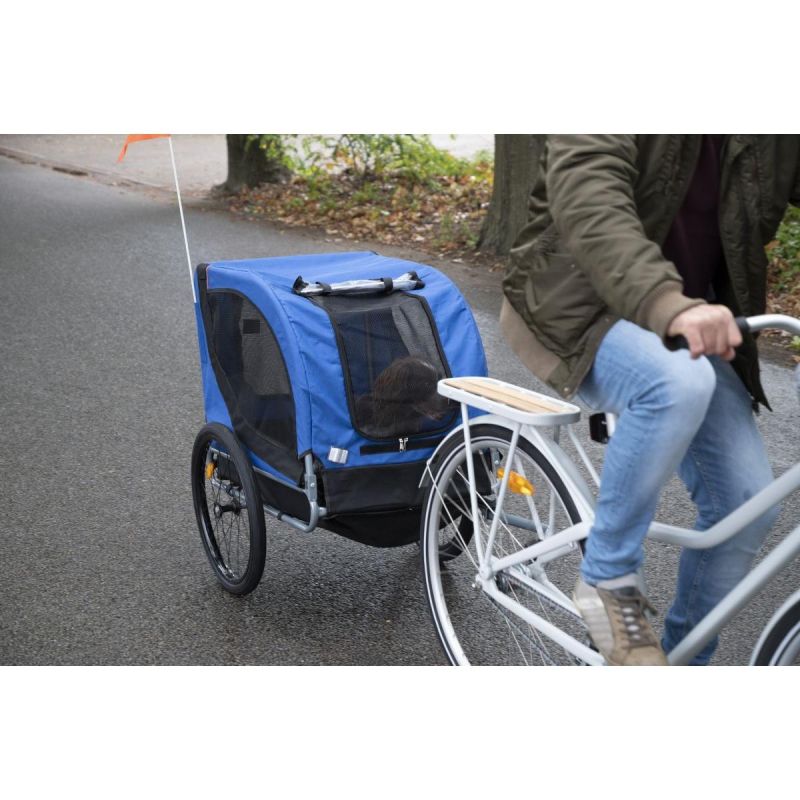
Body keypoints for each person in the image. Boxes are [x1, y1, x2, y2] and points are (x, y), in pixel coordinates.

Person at [501, 135, 800, 665]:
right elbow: (590, 198)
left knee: (746, 504)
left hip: (693, 318)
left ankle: (684, 661)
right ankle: (607, 580)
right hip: (579, 307)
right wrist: (669, 304)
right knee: (675, 383)